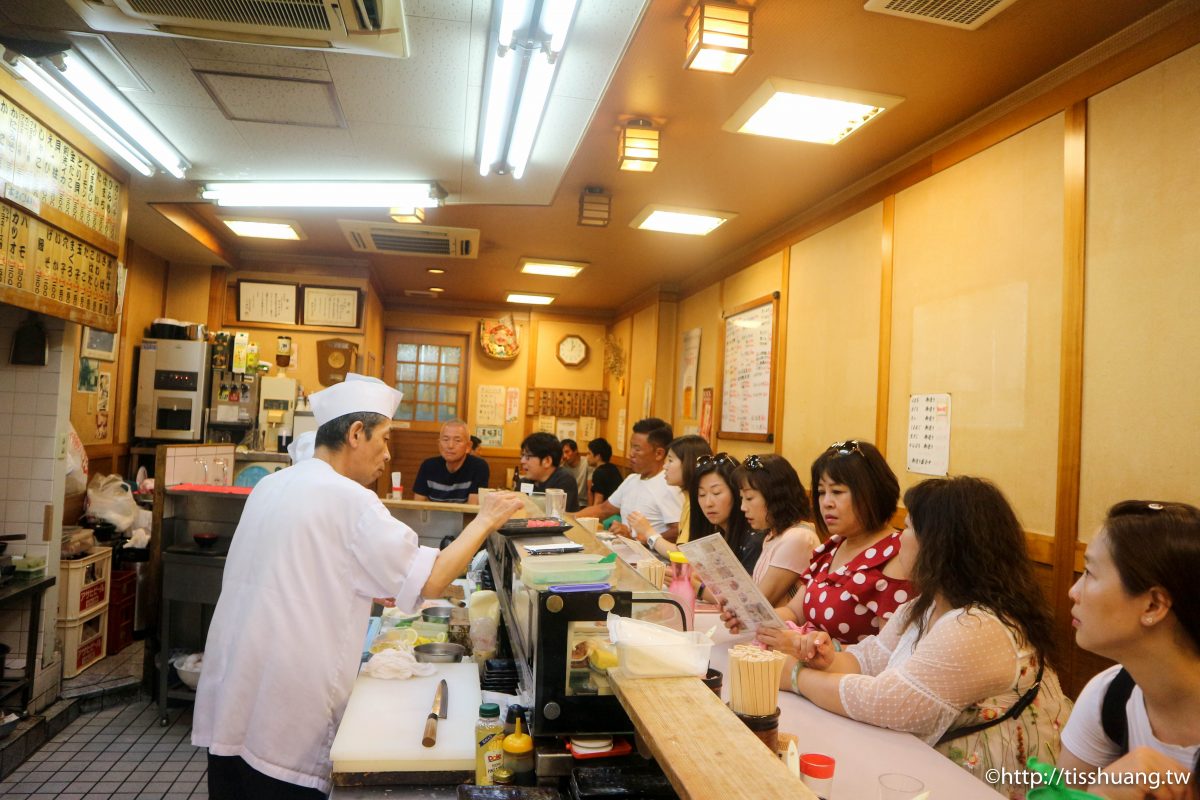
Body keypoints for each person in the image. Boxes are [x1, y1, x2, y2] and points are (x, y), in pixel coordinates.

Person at [192, 374, 524, 798]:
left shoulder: (271, 485)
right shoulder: (350, 498)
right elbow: (436, 578)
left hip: (234, 690)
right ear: (354, 434)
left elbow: (307, 570)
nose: (387, 454)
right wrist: (486, 518)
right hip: (288, 702)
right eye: (384, 439)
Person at [770, 476, 1070, 798]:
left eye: (909, 528)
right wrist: (827, 659)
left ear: (941, 544)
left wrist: (796, 676)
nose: (899, 539)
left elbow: (887, 702)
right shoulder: (926, 604)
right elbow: (870, 657)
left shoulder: (979, 625)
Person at [1057, 501, 1200, 800]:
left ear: (1153, 605)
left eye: (1089, 573)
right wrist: (1101, 790)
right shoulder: (1108, 695)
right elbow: (1060, 793)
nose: (1073, 590)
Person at [732, 453, 819, 606]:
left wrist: (700, 588)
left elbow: (758, 605)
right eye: (741, 498)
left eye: (750, 498)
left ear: (774, 496)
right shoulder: (773, 535)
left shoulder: (798, 538)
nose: (743, 507)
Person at [576, 418, 682, 542]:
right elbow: (603, 509)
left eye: (637, 449)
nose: (631, 454)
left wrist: (639, 539)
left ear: (658, 454)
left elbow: (678, 530)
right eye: (631, 447)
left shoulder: (669, 484)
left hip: (652, 558)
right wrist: (567, 518)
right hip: (626, 552)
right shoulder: (632, 479)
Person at [629, 434, 711, 556]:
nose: (664, 466)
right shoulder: (688, 499)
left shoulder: (698, 503)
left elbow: (684, 554)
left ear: (688, 463)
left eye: (671, 461)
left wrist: (648, 531)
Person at [412, 419, 490, 503]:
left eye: (457, 440)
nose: (450, 446)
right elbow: (418, 505)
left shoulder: (479, 467)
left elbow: (471, 509)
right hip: (434, 516)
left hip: (464, 516)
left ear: (468, 446)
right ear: (439, 444)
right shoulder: (428, 466)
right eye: (445, 440)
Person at [518, 432, 578, 511]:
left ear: (547, 461)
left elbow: (557, 517)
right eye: (522, 455)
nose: (522, 461)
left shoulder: (565, 480)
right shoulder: (524, 482)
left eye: (527, 456)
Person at [586, 437, 622, 505]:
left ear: (598, 456)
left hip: (608, 513)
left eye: (589, 453)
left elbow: (598, 502)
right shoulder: (613, 467)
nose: (586, 457)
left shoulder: (599, 473)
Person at [559, 438, 590, 512]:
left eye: (567, 452)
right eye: (562, 453)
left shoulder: (587, 463)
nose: (564, 456)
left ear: (576, 451)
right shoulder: (562, 467)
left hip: (583, 504)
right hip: (567, 504)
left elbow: (590, 489)